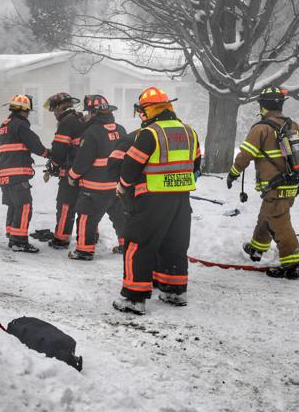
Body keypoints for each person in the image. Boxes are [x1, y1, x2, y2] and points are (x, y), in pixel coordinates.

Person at [112, 87, 200, 315]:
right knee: (175, 243)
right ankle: (174, 290)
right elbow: (197, 164)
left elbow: (131, 165)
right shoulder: (190, 132)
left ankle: (134, 298)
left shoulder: (150, 133)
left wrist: (122, 186)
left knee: (137, 245)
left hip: (151, 200)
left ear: (148, 110)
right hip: (181, 200)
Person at [226, 86, 299, 280]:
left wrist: (233, 173)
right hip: (292, 183)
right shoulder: (294, 126)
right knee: (269, 215)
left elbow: (245, 155)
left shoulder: (261, 128)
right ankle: (256, 249)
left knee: (280, 222)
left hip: (274, 185)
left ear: (263, 105)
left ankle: (291, 263)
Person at [67, 95, 127, 261]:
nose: (86, 116)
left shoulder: (92, 132)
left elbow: (82, 161)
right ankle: (126, 244)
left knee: (87, 217)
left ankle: (84, 251)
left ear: (94, 113)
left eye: (88, 112)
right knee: (120, 216)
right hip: (115, 187)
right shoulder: (121, 130)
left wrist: (72, 176)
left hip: (94, 188)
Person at [0, 94, 49, 253]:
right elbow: (36, 145)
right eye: (28, 112)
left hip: (4, 176)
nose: (28, 115)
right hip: (17, 176)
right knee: (24, 206)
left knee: (14, 205)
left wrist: (8, 161)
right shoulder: (20, 125)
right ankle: (19, 241)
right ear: (24, 111)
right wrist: (49, 154)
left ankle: (12, 234)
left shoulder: (3, 126)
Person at [44, 92, 85, 250]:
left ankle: (61, 239)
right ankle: (90, 237)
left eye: (54, 110)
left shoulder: (66, 122)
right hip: (84, 172)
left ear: (59, 109)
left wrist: (53, 164)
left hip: (70, 172)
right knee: (84, 207)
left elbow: (60, 150)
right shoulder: (78, 118)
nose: (54, 114)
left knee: (66, 205)